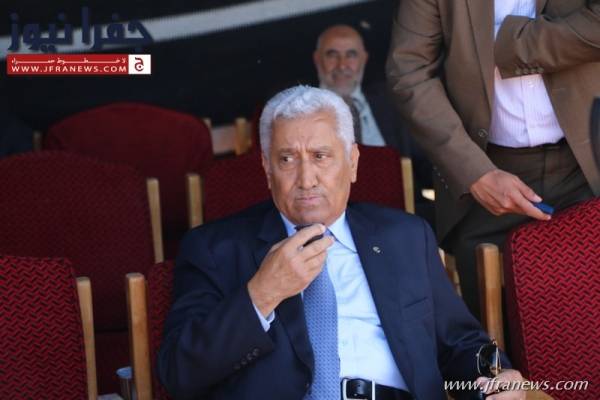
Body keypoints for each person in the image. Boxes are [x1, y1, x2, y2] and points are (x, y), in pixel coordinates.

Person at [157, 85, 525, 400]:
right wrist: (262, 293)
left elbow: (461, 342)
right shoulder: (215, 249)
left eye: (320, 156)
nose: (306, 179)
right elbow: (179, 372)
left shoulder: (404, 237)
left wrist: (496, 376)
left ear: (352, 163)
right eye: (287, 159)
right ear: (267, 170)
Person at [386, 0, 600, 317]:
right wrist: (474, 172)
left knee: (589, 322)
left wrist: (512, 45)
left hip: (587, 168)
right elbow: (408, 72)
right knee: (493, 329)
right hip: (486, 179)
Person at [314, 25, 434, 224]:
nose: (342, 65)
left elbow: (426, 163)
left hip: (400, 216)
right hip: (329, 219)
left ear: (364, 59)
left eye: (351, 55)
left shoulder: (392, 102)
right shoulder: (301, 111)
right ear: (317, 59)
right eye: (332, 55)